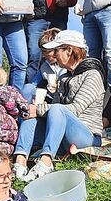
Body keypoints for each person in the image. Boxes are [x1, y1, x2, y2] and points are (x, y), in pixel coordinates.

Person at [13, 30, 105, 182]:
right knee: (30, 115)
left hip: (87, 136)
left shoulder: (92, 75)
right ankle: (20, 161)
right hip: (63, 136)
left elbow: (74, 109)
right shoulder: (63, 77)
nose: (54, 55)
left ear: (69, 50)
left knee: (53, 109)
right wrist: (36, 110)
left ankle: (46, 162)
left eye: (57, 50)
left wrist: (40, 109)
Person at [21, 28, 65, 104]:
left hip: (66, 99)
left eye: (46, 52)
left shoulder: (69, 66)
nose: (44, 55)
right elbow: (33, 84)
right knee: (28, 88)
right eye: (42, 52)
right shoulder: (45, 66)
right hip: (50, 97)